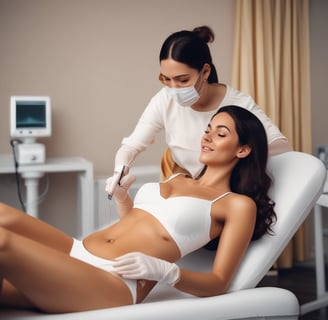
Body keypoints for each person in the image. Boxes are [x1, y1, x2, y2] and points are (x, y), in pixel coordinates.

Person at [0, 106, 276, 313]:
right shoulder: (176, 177)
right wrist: (122, 198)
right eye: (208, 129)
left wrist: (167, 272)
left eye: (221, 133)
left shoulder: (237, 205)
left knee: (3, 243)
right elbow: (141, 223)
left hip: (112, 280)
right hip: (76, 251)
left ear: (243, 150)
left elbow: (219, 282)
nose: (208, 137)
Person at [107, 26, 292, 198]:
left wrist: (235, 152)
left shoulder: (238, 104)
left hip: (223, 192)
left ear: (205, 72)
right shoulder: (165, 99)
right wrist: (119, 172)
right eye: (166, 79)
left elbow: (283, 147)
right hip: (182, 185)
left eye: (182, 80)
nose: (174, 89)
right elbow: (132, 145)